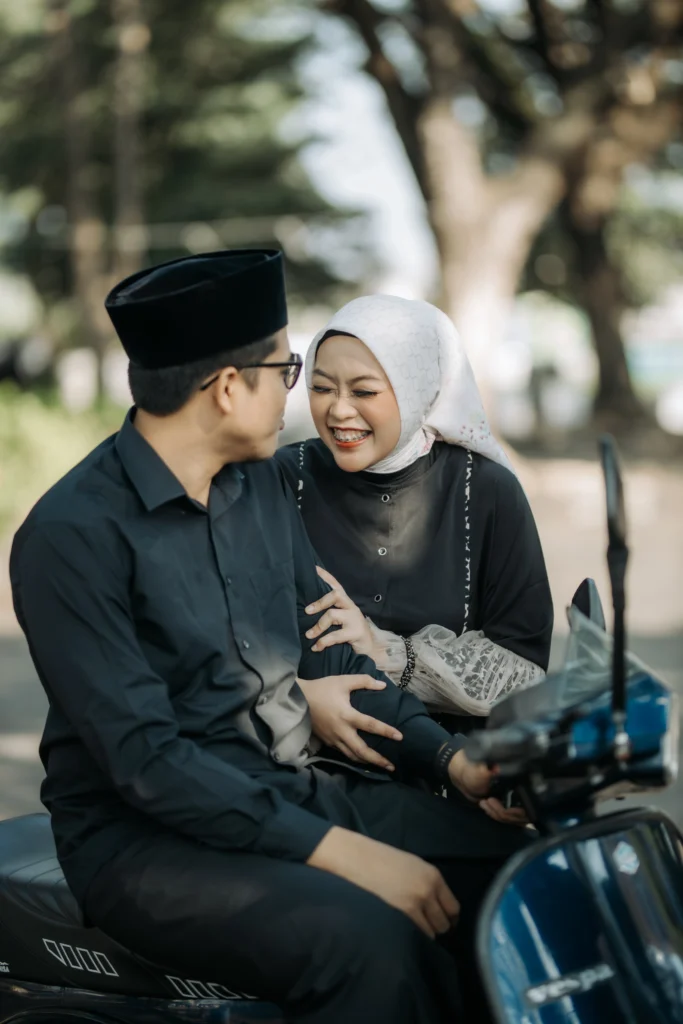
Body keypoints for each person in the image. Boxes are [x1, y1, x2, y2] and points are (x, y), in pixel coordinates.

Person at [11, 251, 529, 1024]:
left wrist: (450, 761)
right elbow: (148, 762)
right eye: (288, 370)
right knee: (373, 945)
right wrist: (346, 853)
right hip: (145, 845)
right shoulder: (70, 535)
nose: (301, 397)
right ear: (228, 387)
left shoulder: (252, 484)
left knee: (527, 869)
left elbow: (330, 646)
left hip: (285, 788)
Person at [276, 295, 553, 744]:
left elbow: (523, 674)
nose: (338, 410)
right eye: (322, 387)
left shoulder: (486, 491)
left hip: (456, 771)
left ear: (418, 388)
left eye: (363, 391)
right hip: (306, 764)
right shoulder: (284, 478)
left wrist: (386, 651)